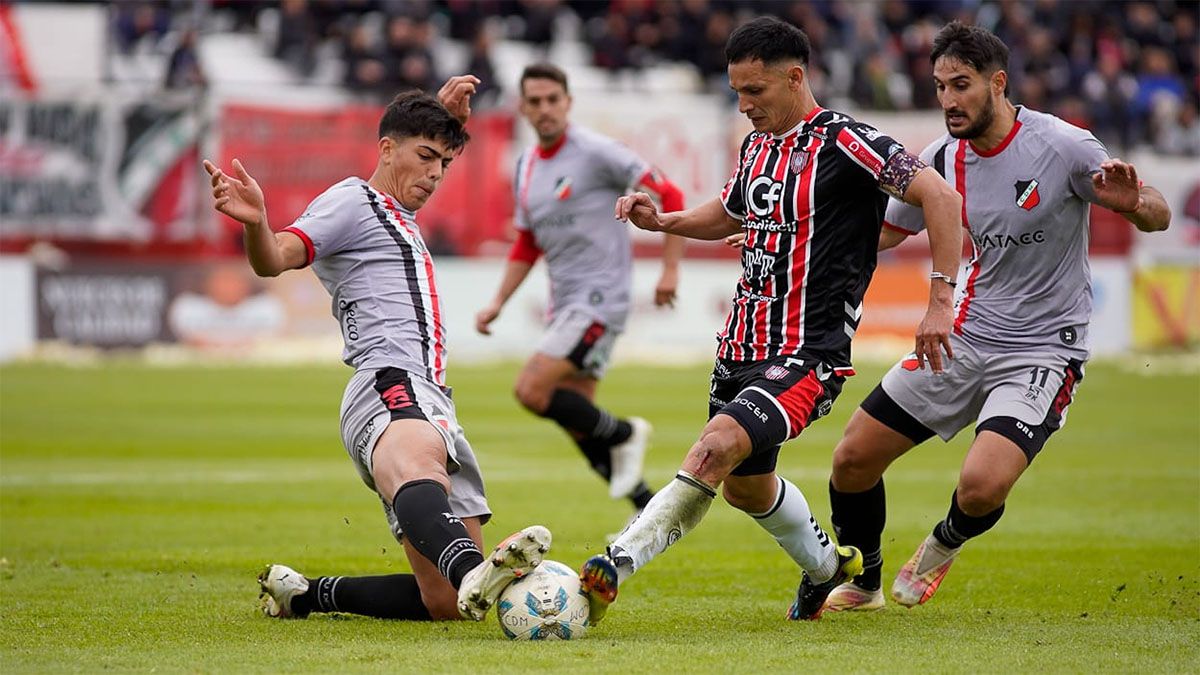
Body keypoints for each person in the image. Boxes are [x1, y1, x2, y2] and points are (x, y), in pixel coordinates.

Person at [577, 16, 964, 624]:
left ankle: (611, 566)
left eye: (755, 91)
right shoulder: (759, 145)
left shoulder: (846, 141)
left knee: (714, 448)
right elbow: (730, 212)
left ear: (795, 77)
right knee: (743, 486)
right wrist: (665, 222)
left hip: (809, 351)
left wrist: (940, 300)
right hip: (739, 345)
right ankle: (827, 570)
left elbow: (940, 196)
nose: (744, 104)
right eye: (737, 92)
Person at [822, 21, 1171, 613]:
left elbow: (1158, 213)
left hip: (1043, 349)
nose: (947, 101)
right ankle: (866, 580)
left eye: (961, 85)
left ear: (998, 82)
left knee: (981, 486)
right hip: (967, 333)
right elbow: (886, 230)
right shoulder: (940, 159)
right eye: (939, 86)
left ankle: (942, 544)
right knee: (852, 459)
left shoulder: (1064, 146)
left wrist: (1135, 203)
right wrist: (805, 242)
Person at [202, 76, 553, 624]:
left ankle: (306, 596)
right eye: (426, 157)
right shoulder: (352, 200)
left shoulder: (396, 213)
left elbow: (409, 130)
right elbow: (274, 258)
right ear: (386, 149)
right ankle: (476, 575)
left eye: (445, 163)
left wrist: (440, 115)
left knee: (443, 604)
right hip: (389, 380)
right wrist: (257, 223)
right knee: (422, 478)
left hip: (431, 394)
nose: (435, 174)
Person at [474, 63, 686, 514]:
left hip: (598, 300)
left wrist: (670, 270)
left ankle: (627, 433)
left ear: (568, 103)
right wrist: (497, 302)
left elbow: (671, 194)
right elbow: (528, 242)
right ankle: (648, 512)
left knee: (532, 390)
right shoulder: (526, 167)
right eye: (535, 101)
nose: (545, 109)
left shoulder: (597, 152)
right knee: (578, 421)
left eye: (554, 99)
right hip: (564, 305)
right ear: (523, 107)